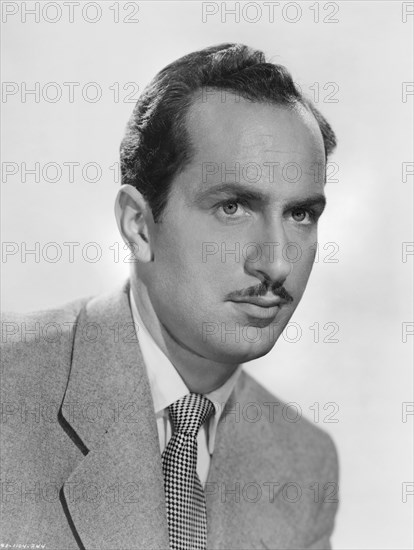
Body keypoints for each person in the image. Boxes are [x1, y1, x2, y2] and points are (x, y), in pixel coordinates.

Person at [1, 43, 339, 550]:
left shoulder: (304, 463)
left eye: (300, 215)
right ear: (138, 225)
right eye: (232, 207)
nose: (276, 263)